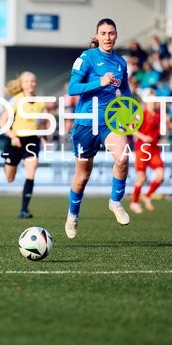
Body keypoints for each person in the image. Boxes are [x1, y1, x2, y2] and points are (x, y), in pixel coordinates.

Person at [64, 18, 133, 239]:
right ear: (97, 36)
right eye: (103, 33)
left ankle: (115, 202)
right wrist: (99, 82)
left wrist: (130, 114)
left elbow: (126, 91)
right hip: (85, 123)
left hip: (110, 122)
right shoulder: (86, 58)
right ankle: (73, 215)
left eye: (111, 33)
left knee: (122, 158)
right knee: (83, 176)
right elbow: (73, 88)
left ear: (116, 35)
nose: (107, 37)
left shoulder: (121, 63)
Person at [0, 71, 45, 219]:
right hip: (15, 140)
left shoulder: (41, 103)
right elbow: (1, 122)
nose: (30, 84)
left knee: (31, 171)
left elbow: (40, 123)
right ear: (21, 84)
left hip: (32, 140)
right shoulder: (16, 100)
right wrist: (13, 136)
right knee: (10, 178)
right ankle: (7, 164)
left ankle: (24, 209)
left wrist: (42, 136)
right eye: (26, 81)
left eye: (32, 81)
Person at [129, 97, 164, 214]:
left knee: (161, 176)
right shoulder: (141, 113)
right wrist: (143, 137)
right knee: (142, 177)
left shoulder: (158, 114)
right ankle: (134, 202)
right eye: (152, 100)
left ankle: (147, 195)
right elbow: (130, 127)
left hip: (154, 149)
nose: (154, 102)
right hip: (142, 149)